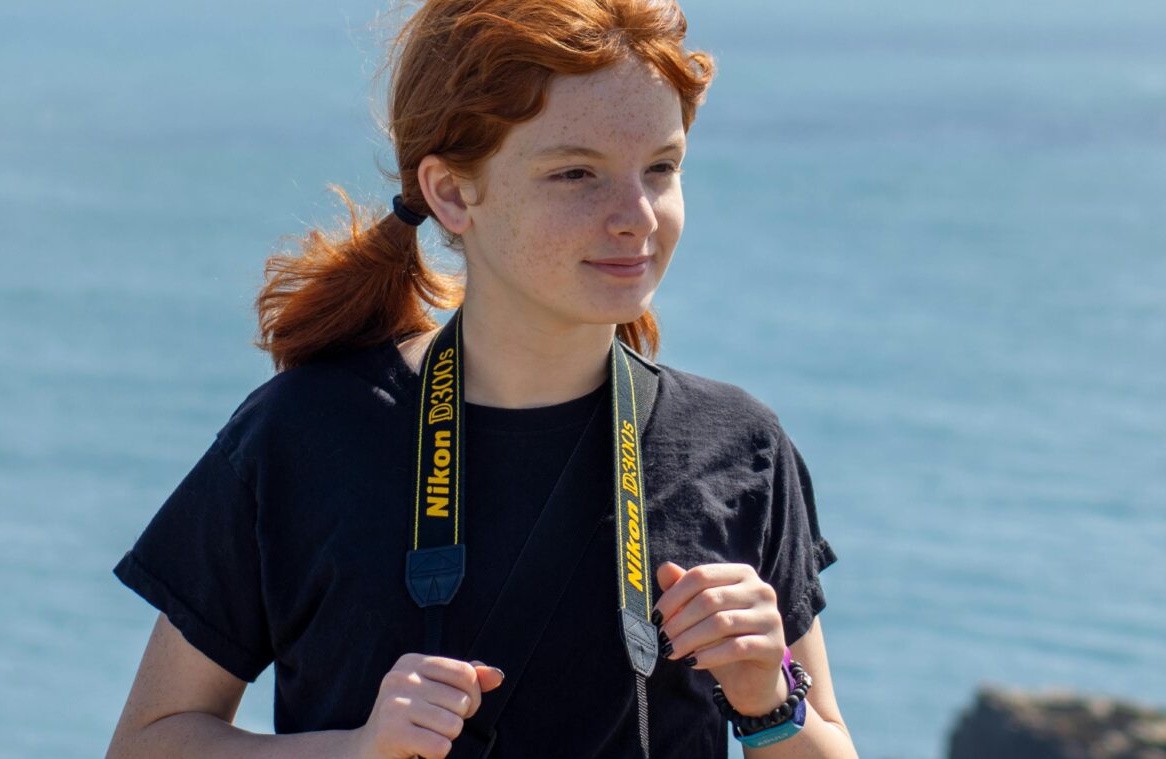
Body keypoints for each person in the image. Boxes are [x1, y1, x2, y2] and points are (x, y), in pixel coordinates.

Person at [105, 1, 852, 757]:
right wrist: (354, 749)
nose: (637, 216)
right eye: (576, 173)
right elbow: (146, 742)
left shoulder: (739, 445)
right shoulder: (300, 435)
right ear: (454, 193)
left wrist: (767, 698)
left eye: (660, 167)